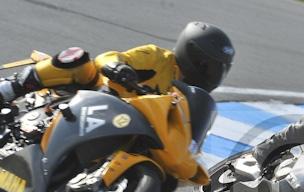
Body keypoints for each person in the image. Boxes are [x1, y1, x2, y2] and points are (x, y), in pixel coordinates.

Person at [0, 21, 235, 182]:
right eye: (209, 66)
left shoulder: (192, 99)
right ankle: (8, 89)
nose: (212, 74)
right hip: (97, 96)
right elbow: (110, 58)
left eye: (219, 70)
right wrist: (118, 67)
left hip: (123, 128)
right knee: (79, 60)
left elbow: (188, 139)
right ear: (192, 53)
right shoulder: (158, 57)